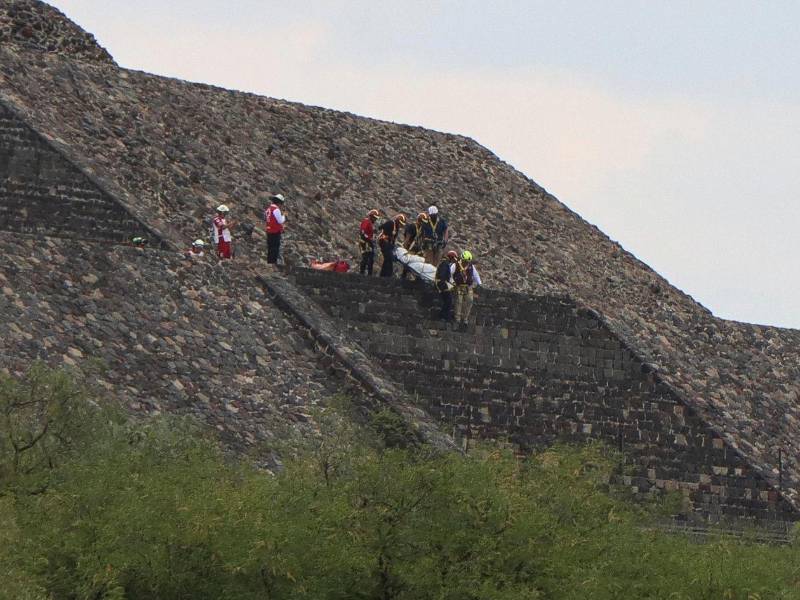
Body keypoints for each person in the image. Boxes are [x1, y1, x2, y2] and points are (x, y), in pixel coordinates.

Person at [451, 250, 482, 327]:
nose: (466, 263)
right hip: (458, 286)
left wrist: (479, 284)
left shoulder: (471, 266)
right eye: (465, 261)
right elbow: (450, 274)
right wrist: (452, 282)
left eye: (468, 261)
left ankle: (465, 319)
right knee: (459, 302)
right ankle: (457, 319)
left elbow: (476, 275)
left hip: (468, 287)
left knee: (470, 301)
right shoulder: (456, 265)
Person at [435, 250, 458, 321]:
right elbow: (443, 276)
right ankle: (443, 316)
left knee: (447, 300)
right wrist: (444, 285)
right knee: (448, 300)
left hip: (442, 283)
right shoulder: (445, 264)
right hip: (442, 284)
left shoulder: (445, 263)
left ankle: (443, 316)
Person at [265, 193, 286, 264]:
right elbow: (280, 220)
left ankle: (269, 262)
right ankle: (272, 263)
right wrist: (284, 216)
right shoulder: (276, 209)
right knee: (275, 249)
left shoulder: (268, 209)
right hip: (275, 231)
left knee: (270, 249)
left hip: (269, 230)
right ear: (279, 203)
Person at [358, 209, 380, 275]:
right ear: (371, 216)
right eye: (374, 218)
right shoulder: (366, 221)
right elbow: (363, 232)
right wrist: (369, 239)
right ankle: (362, 273)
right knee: (365, 258)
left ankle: (369, 274)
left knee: (370, 258)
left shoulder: (370, 223)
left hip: (369, 242)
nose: (375, 219)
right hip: (365, 242)